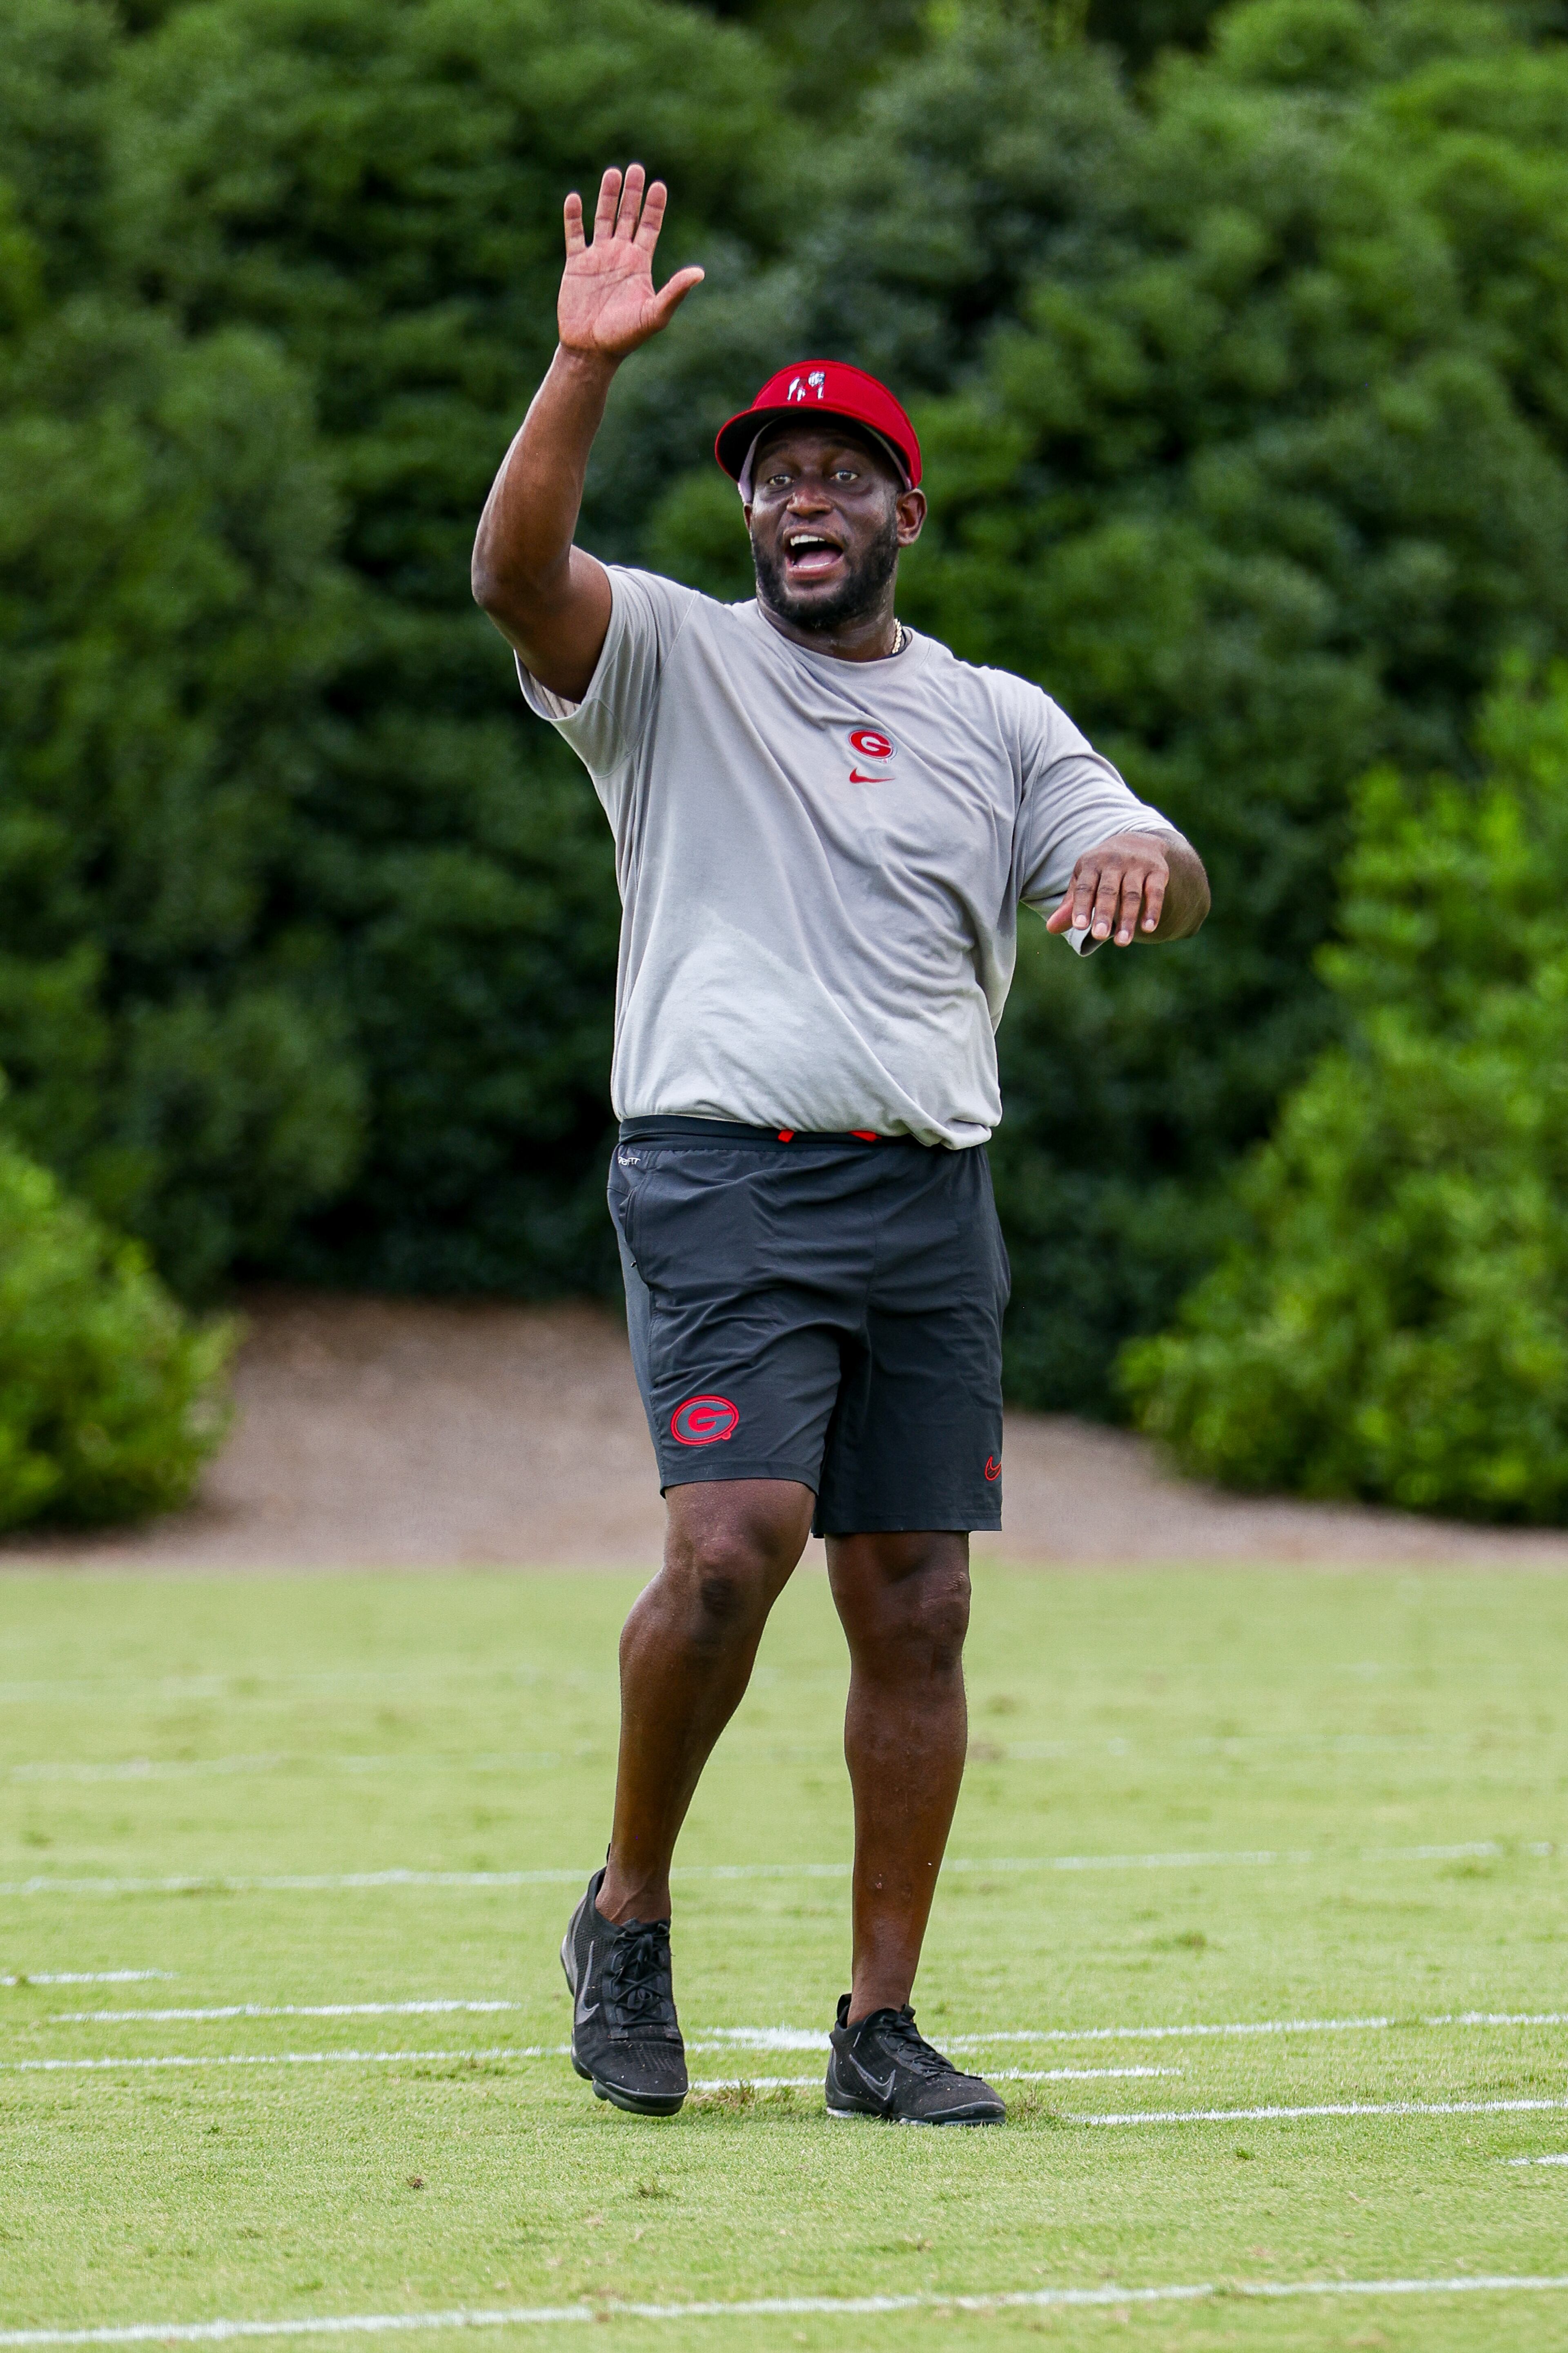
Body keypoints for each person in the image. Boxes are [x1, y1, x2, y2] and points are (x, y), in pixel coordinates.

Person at [472, 164, 1210, 2127]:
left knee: (919, 1602)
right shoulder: (673, 665)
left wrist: (1143, 863)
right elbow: (514, 578)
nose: (800, 501)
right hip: (723, 1170)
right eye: (771, 477)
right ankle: (625, 1912)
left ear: (904, 511)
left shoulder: (993, 714)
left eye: (839, 474)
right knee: (735, 1551)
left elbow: (1149, 849)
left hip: (928, 1195)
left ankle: (877, 2029)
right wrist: (576, 367)